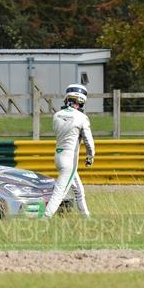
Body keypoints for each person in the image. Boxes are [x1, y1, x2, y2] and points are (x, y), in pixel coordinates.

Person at [44, 83, 95, 218]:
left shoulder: (57, 115)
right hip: (70, 160)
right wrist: (90, 157)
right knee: (59, 193)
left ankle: (86, 218)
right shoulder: (82, 118)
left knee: (79, 191)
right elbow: (89, 143)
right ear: (81, 101)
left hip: (58, 156)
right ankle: (44, 219)